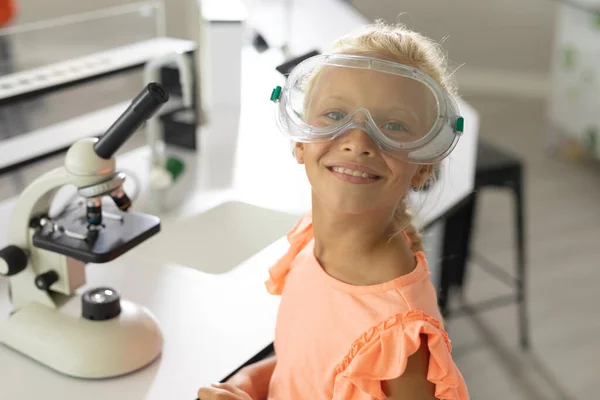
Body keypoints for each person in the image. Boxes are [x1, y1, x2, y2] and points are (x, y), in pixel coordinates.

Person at [198, 20, 469, 400]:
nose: (358, 141)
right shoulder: (311, 246)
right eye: (335, 115)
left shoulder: (398, 341)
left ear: (423, 165)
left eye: (392, 125)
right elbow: (311, 365)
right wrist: (250, 381)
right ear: (300, 141)